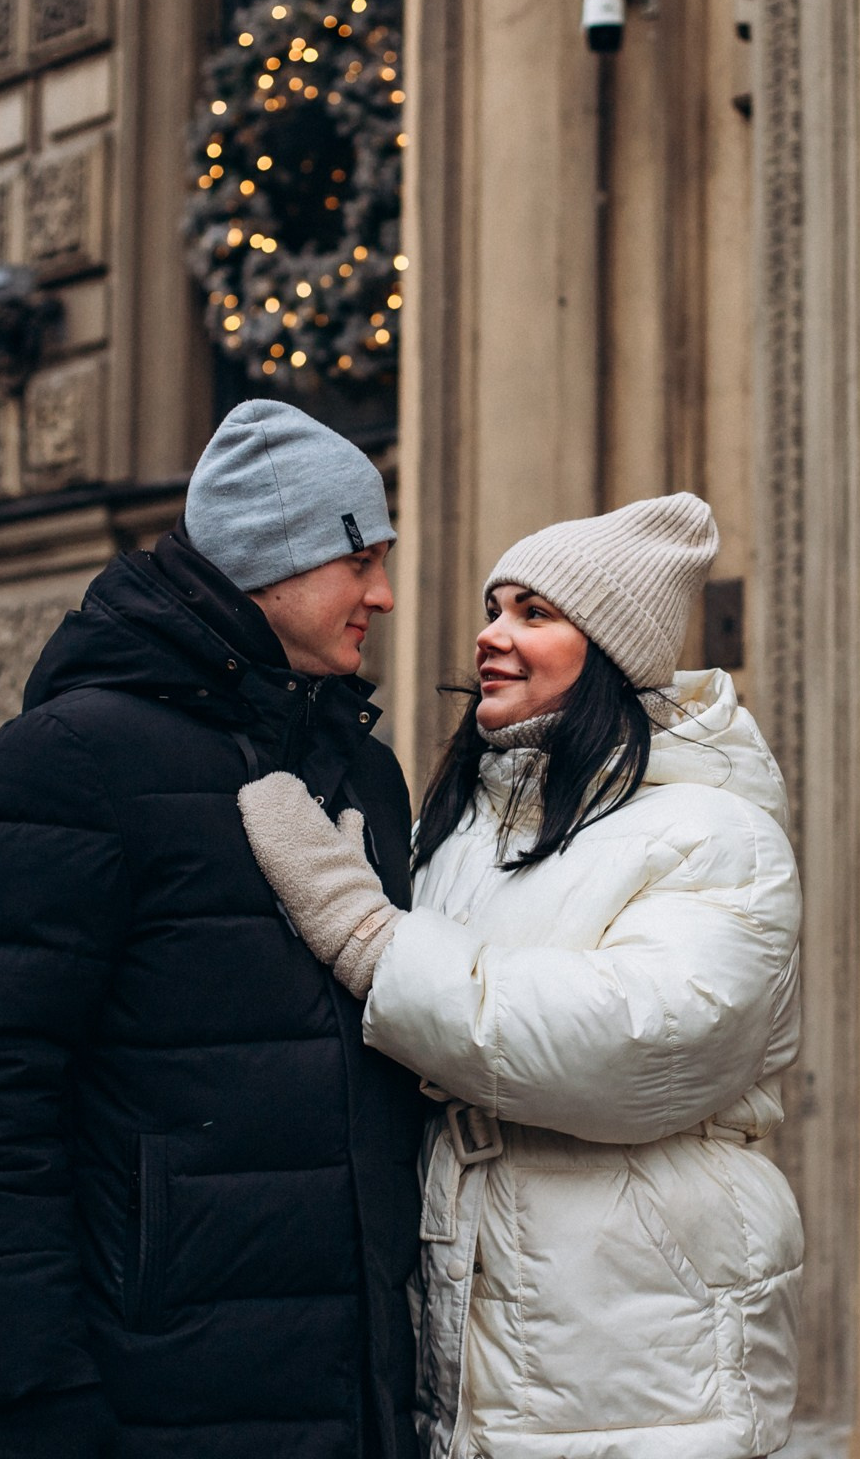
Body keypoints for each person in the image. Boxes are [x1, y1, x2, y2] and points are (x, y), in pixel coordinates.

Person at [239, 492, 804, 1459]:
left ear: (614, 653)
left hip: (638, 1349)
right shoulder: (467, 827)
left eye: (533, 615)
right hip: (487, 1343)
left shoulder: (717, 835)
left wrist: (366, 934)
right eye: (497, 608)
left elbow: (636, 1042)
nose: (490, 637)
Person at [0, 399, 428, 1459]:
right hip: (150, 1388)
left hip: (353, 1385)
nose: (382, 592)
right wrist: (40, 1379)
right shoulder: (74, 759)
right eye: (359, 561)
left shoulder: (361, 765)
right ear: (271, 563)